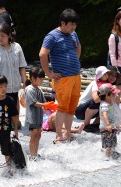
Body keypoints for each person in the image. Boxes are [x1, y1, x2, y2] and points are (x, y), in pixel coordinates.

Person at [39, 8, 81, 143]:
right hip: (62, 78)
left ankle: (67, 133)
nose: (73, 27)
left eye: (75, 24)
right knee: (62, 107)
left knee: (72, 107)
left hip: (75, 76)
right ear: (63, 23)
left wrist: (74, 61)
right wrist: (48, 73)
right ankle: (58, 135)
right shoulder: (52, 36)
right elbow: (43, 54)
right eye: (71, 24)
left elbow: (78, 47)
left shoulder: (74, 34)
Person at [0, 22, 27, 119]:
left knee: (14, 105)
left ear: (9, 35)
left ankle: (15, 123)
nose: (0, 38)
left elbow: (22, 66)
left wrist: (25, 82)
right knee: (1, 110)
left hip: (14, 85)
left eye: (3, 36)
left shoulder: (17, 47)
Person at [75, 66, 114, 133]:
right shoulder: (95, 83)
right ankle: (86, 124)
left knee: (104, 102)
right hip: (80, 110)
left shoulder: (105, 83)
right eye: (105, 74)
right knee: (97, 101)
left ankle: (96, 123)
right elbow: (95, 98)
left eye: (107, 74)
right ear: (100, 76)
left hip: (86, 109)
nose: (107, 76)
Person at [24, 67, 47, 159]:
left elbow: (43, 101)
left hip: (38, 116)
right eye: (40, 79)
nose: (42, 81)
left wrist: (47, 105)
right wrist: (45, 105)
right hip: (32, 117)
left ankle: (35, 153)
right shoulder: (29, 89)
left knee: (38, 134)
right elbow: (34, 103)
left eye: (42, 79)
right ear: (33, 78)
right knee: (33, 136)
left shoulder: (38, 89)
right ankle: (32, 155)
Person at [98, 83, 121, 160]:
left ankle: (112, 153)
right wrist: (108, 125)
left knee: (113, 141)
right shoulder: (104, 104)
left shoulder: (109, 102)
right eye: (112, 94)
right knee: (108, 144)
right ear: (107, 95)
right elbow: (105, 115)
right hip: (105, 127)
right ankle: (107, 157)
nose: (114, 96)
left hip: (111, 126)